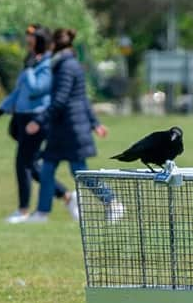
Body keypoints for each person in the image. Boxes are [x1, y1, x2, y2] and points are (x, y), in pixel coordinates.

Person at [23, 28, 120, 223]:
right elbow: (83, 98)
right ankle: (42, 213)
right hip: (61, 129)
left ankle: (112, 202)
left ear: (54, 45)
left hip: (72, 129)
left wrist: (38, 121)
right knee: (48, 169)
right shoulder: (67, 64)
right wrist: (95, 123)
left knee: (79, 172)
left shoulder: (67, 67)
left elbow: (61, 100)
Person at [0, 25, 76, 224]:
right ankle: (67, 196)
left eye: (31, 38)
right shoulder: (33, 63)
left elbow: (37, 88)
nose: (27, 41)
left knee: (23, 164)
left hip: (37, 120)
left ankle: (23, 210)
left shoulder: (47, 64)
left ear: (40, 40)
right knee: (33, 166)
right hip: (22, 118)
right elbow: (19, 92)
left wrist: (28, 69)